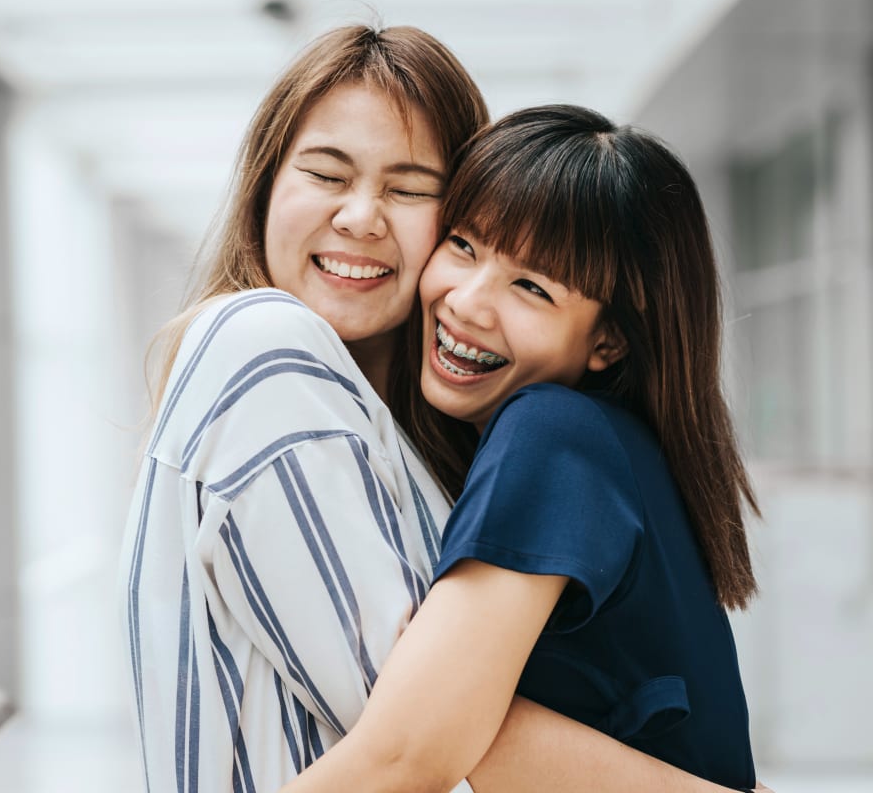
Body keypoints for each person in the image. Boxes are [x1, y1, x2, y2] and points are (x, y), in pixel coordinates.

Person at [118, 24, 757, 793]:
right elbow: (418, 736)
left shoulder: (542, 434)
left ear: (609, 343)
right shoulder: (269, 347)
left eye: (410, 188)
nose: (360, 217)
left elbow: (423, 737)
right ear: (265, 184)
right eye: (326, 173)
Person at [280, 105, 761, 793]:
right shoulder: (618, 451)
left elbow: (403, 758)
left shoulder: (555, 434)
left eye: (532, 287)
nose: (468, 302)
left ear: (609, 341)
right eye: (465, 246)